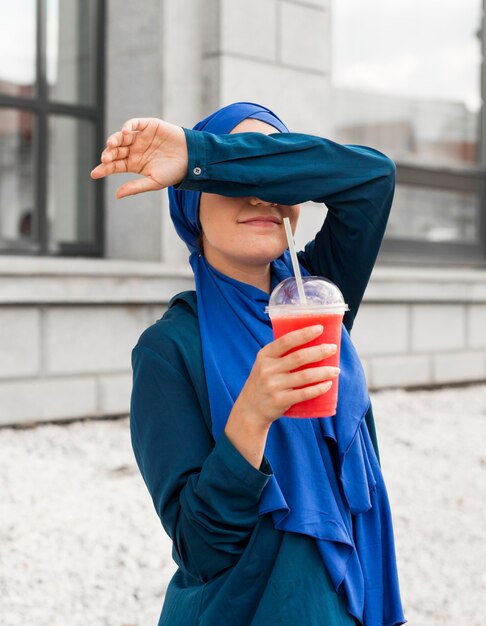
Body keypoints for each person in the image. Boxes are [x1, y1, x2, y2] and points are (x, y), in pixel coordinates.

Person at [90, 101, 406, 626]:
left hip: (351, 600)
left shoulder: (317, 296)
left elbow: (373, 175)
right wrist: (251, 416)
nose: (263, 194)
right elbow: (199, 548)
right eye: (238, 178)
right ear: (192, 202)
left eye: (275, 171)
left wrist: (201, 154)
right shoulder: (169, 348)